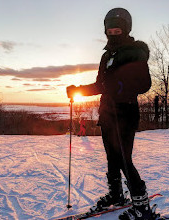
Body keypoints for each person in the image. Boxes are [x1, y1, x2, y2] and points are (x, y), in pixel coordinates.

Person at [66, 8, 155, 219]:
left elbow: (144, 84)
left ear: (126, 30)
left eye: (118, 30)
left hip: (125, 112)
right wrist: (78, 89)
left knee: (124, 159)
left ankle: (142, 207)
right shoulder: (106, 56)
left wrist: (121, 86)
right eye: (110, 30)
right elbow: (100, 85)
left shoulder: (135, 52)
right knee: (111, 158)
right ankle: (116, 195)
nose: (114, 34)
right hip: (107, 113)